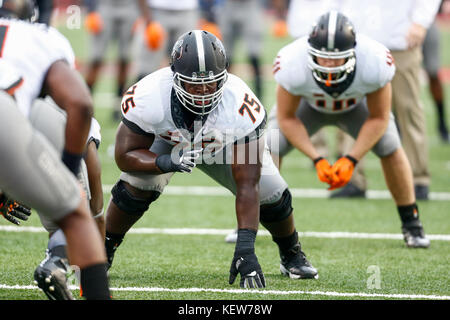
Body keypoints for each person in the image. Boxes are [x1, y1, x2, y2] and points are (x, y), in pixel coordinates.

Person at [104, 30, 319, 286]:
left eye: (212, 83)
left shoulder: (240, 102)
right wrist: (165, 162)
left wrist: (246, 249)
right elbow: (124, 155)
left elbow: (249, 183)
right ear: (175, 77)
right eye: (194, 84)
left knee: (272, 193)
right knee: (137, 184)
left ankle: (291, 253)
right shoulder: (148, 95)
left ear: (224, 76)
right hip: (169, 142)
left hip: (224, 144)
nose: (203, 91)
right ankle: (104, 249)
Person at [270, 11, 430, 248]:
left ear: (354, 51)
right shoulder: (292, 61)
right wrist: (317, 159)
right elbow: (286, 118)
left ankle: (412, 224)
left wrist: (351, 159)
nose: (330, 65)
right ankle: (252, 219)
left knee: (390, 145)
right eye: (324, 58)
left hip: (356, 107)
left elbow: (378, 117)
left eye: (337, 59)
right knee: (265, 145)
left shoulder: (374, 59)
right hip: (309, 107)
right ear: (309, 51)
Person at [0, 0, 110, 299]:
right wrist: (68, 170)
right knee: (76, 211)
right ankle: (59, 262)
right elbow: (81, 104)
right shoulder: (39, 39)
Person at [337, 0, 442, 200]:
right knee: (352, 106)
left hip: (400, 38)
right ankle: (351, 176)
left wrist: (420, 22)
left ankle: (418, 178)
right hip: (359, 40)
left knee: (408, 109)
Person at [30, 98, 105, 300]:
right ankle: (55, 263)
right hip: (47, 134)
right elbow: (94, 175)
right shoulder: (83, 120)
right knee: (74, 220)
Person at [83, 0, 139, 121]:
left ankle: (118, 106)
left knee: (124, 58)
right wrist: (91, 9)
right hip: (104, 5)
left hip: (130, 6)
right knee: (96, 58)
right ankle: (85, 103)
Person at [136, 0, 200, 81]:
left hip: (187, 9)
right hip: (157, 10)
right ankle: (143, 90)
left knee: (187, 59)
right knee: (149, 63)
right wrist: (146, 14)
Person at [422, 19, 449, 143]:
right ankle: (398, 127)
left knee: (433, 73)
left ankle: (442, 124)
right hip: (400, 26)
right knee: (396, 77)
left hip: (426, 22)